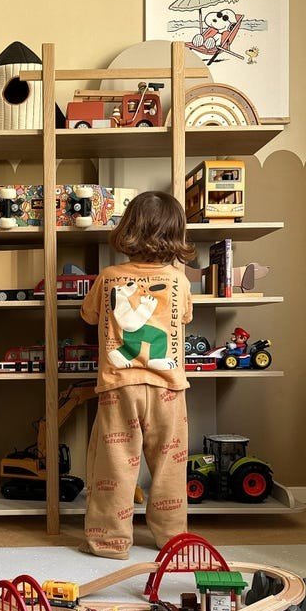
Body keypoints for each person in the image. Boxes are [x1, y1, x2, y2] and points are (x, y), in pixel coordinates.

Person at [80, 191, 194, 559]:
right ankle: (172, 539)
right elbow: (185, 318)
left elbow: (89, 316)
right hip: (167, 388)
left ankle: (109, 541)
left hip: (119, 386)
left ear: (128, 230)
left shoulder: (110, 277)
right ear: (175, 234)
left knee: (114, 464)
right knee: (169, 467)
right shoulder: (179, 280)